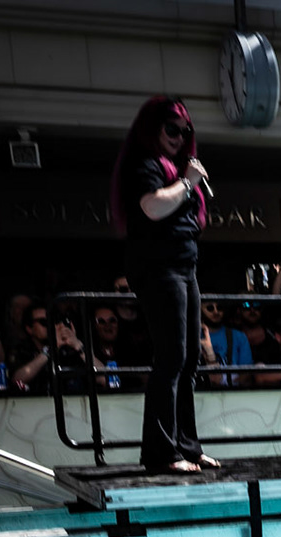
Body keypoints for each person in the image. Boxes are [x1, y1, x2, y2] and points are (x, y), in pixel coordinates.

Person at [110, 96, 212, 474]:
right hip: (158, 267)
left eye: (185, 131)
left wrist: (186, 181)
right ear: (154, 128)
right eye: (172, 128)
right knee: (171, 358)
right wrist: (188, 182)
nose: (179, 136)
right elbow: (152, 207)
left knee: (189, 358)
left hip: (184, 266)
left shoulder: (175, 167)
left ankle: (187, 447)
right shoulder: (146, 164)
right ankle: (161, 452)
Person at [8, 303, 86, 395]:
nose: (50, 325)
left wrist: (78, 346)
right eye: (44, 322)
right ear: (29, 329)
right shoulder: (22, 350)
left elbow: (100, 377)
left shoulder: (67, 349)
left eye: (52, 321)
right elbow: (17, 380)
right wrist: (51, 349)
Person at [198, 296, 251, 387]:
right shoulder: (193, 337)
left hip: (232, 390)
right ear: (200, 310)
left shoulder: (238, 336)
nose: (216, 312)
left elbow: (246, 374)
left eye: (219, 308)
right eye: (210, 308)